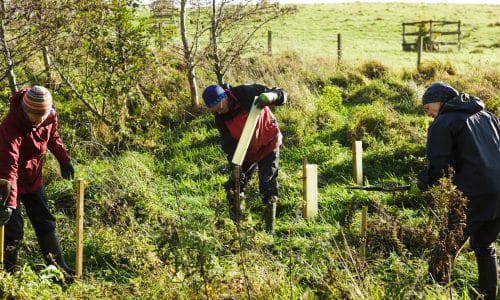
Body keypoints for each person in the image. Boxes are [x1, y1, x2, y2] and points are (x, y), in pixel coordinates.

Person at [418, 82, 500, 299]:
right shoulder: (488, 117)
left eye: (429, 108)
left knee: (445, 247)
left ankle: (434, 293)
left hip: (473, 194)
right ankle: (488, 296)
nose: (429, 114)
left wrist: (425, 180)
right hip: (499, 194)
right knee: (484, 244)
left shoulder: (443, 122)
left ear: (441, 100)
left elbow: (440, 166)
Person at [0, 86, 75, 280]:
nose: (40, 120)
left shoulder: (48, 116)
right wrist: (9, 203)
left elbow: (53, 137)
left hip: (33, 179)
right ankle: (8, 275)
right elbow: (10, 167)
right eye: (36, 116)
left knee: (44, 220)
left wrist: (63, 159)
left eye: (43, 115)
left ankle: (58, 267)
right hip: (7, 182)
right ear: (25, 111)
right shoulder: (10, 126)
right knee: (12, 228)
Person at [202, 83, 287, 234]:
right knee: (233, 187)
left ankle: (270, 231)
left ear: (224, 98)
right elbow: (228, 144)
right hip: (246, 151)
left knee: (268, 187)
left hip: (268, 142)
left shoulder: (246, 93)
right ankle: (239, 228)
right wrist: (236, 167)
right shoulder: (220, 118)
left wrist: (271, 96)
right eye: (215, 111)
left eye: (220, 108)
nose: (220, 113)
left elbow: (282, 95)